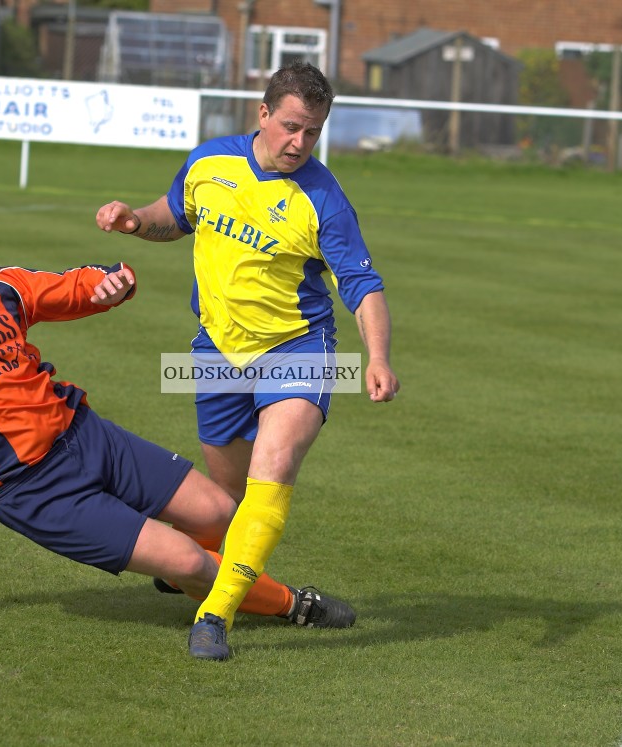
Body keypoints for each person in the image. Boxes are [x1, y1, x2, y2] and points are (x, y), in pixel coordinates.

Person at [0, 193, 356, 640]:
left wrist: (111, 284)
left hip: (85, 435)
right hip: (31, 488)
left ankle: (181, 573)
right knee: (189, 559)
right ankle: (292, 605)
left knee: (220, 512)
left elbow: (67, 287)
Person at [95, 62, 399, 660]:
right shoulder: (211, 162)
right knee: (224, 509)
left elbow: (363, 286)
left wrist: (379, 357)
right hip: (216, 352)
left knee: (275, 465)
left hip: (299, 349)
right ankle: (203, 563)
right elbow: (172, 215)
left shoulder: (324, 198)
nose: (299, 143)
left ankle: (214, 617)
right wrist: (135, 222)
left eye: (312, 132)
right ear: (262, 114)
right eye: (291, 127)